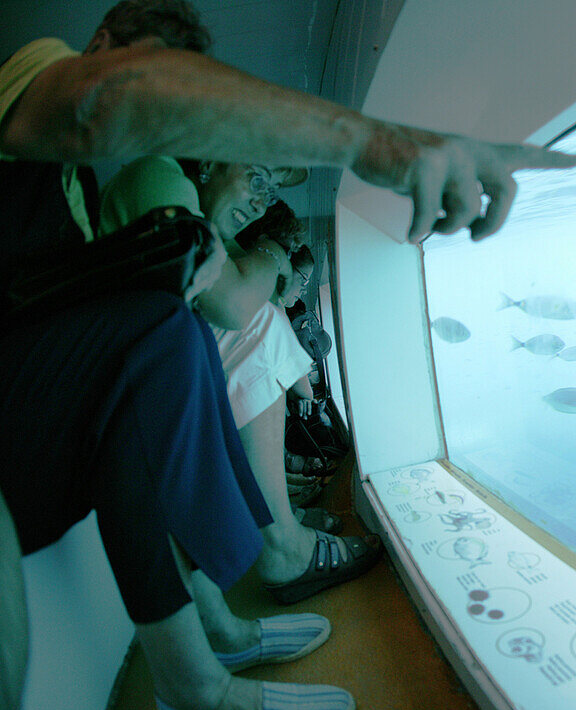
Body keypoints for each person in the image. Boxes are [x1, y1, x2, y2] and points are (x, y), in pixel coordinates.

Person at [0, 0, 576, 710]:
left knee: (156, 339)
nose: (170, 121)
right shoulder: (42, 83)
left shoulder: (74, 190)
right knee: (163, 329)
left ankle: (201, 665)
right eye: (153, 77)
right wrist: (378, 144)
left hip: (41, 441)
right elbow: (101, 104)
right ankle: (271, 559)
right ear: (99, 46)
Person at [100, 158, 379, 604]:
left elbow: (250, 288)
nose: (259, 202)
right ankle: (282, 544)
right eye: (257, 180)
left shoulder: (204, 226)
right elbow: (236, 304)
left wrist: (265, 264)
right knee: (262, 328)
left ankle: (272, 515)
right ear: (210, 162)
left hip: (143, 372)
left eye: (268, 194)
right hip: (118, 382)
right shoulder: (160, 177)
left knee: (259, 324)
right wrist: (271, 250)